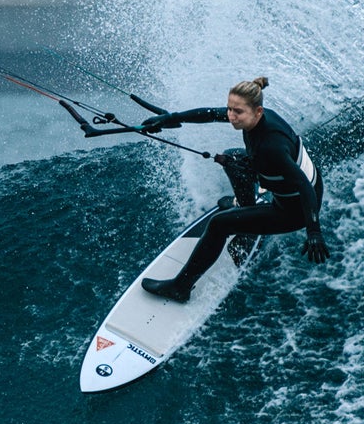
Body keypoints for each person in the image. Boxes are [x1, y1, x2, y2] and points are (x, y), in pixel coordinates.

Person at [137, 76, 329, 303]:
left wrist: (313, 231)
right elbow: (210, 114)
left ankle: (180, 288)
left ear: (258, 111)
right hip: (291, 184)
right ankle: (247, 212)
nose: (230, 116)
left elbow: (304, 187)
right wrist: (172, 118)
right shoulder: (257, 117)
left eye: (237, 111)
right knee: (232, 158)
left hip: (293, 210)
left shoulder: (271, 147)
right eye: (229, 109)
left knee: (218, 224)